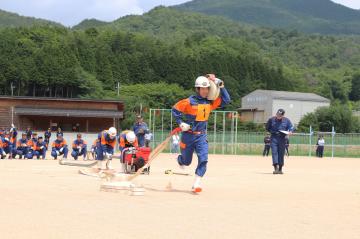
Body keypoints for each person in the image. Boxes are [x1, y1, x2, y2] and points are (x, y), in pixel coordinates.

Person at [172, 74, 231, 193]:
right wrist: (180, 123)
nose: (205, 91)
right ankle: (180, 160)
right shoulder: (189, 101)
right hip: (188, 136)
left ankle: (196, 183)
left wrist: (221, 85)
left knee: (203, 159)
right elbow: (175, 109)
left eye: (207, 88)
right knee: (186, 162)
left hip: (201, 136)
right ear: (197, 89)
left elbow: (226, 100)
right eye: (203, 89)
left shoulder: (210, 102)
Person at [266, 109, 294, 174]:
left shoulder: (287, 120)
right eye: (277, 114)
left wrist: (290, 131)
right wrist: (271, 131)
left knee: (281, 153)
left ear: (283, 115)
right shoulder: (271, 119)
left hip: (282, 138)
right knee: (274, 152)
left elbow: (291, 127)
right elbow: (267, 127)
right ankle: (276, 168)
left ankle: (280, 169)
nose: (278, 116)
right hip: (274, 138)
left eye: (280, 115)